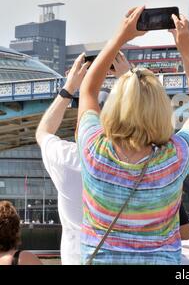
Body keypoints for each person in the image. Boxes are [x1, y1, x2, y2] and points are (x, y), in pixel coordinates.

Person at [76, 6, 189, 265]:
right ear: (161, 110)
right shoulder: (174, 158)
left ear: (114, 105)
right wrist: (187, 52)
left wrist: (120, 37)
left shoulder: (94, 150)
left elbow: (89, 91)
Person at [35, 52, 131, 265]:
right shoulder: (139, 161)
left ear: (80, 126)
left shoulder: (67, 159)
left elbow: (43, 132)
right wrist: (128, 79)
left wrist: (69, 87)